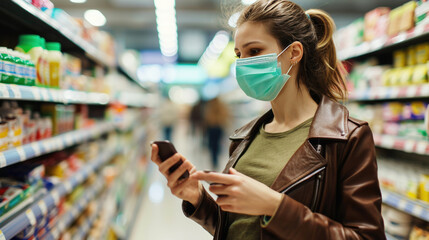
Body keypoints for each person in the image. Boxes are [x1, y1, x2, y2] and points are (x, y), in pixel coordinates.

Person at [150, 0, 386, 239]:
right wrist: (197, 197)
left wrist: (276, 207)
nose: (243, 64)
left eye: (254, 51)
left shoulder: (346, 138)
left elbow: (366, 236)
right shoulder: (245, 137)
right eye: (239, 54)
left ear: (294, 53)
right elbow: (239, 227)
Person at [203, 97, 230, 170]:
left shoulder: (210, 108)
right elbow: (226, 117)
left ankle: (214, 160)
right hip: (219, 128)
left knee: (212, 145)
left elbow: (207, 119)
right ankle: (216, 160)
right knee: (217, 144)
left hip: (212, 128)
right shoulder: (221, 107)